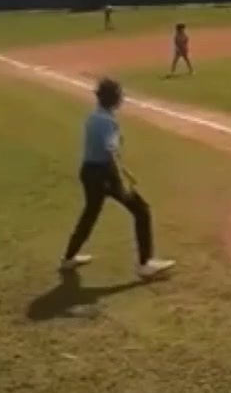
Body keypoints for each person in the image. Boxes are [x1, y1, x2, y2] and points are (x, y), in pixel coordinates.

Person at [61, 78, 175, 279]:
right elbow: (110, 149)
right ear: (114, 99)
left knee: (90, 213)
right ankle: (145, 263)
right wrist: (122, 176)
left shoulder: (92, 117)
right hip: (105, 173)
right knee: (141, 210)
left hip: (88, 171)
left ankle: (69, 257)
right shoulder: (109, 122)